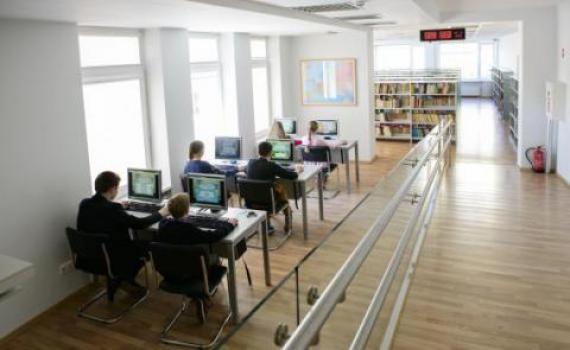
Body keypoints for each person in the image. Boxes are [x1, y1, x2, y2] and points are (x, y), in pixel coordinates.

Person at [76, 171, 170, 301]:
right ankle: (123, 278)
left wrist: (118, 206)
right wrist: (162, 213)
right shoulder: (113, 210)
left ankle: (123, 279)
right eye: (117, 188)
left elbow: (102, 214)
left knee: (130, 244)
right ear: (112, 188)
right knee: (147, 247)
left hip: (89, 257)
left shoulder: (85, 203)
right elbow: (140, 224)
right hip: (112, 257)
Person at [157, 193, 237, 266]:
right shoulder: (188, 229)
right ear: (187, 210)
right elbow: (213, 236)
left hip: (169, 268)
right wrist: (229, 225)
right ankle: (208, 279)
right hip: (191, 269)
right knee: (214, 255)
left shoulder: (163, 224)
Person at [246, 141, 298, 233]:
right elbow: (291, 176)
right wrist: (297, 170)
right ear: (270, 152)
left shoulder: (250, 163)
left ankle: (266, 224)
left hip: (251, 202)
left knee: (264, 192)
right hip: (270, 203)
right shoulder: (272, 166)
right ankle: (288, 220)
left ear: (259, 151)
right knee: (281, 194)